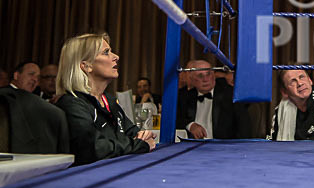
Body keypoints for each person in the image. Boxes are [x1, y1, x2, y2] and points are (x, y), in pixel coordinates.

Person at [55, 33, 154, 165]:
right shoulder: (72, 104)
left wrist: (143, 137)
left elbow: (133, 132)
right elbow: (96, 149)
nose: (116, 57)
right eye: (106, 52)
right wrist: (140, 145)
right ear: (86, 66)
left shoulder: (110, 101)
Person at [177, 59, 251, 139]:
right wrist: (190, 125)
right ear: (191, 79)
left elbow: (244, 126)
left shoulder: (230, 94)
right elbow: (175, 119)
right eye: (200, 76)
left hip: (222, 145)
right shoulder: (184, 96)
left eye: (208, 74)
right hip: (191, 144)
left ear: (213, 75)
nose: (205, 79)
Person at [270, 68, 314, 141]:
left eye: (301, 77)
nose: (300, 83)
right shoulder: (281, 110)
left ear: (310, 80)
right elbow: (272, 141)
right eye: (292, 81)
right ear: (284, 92)